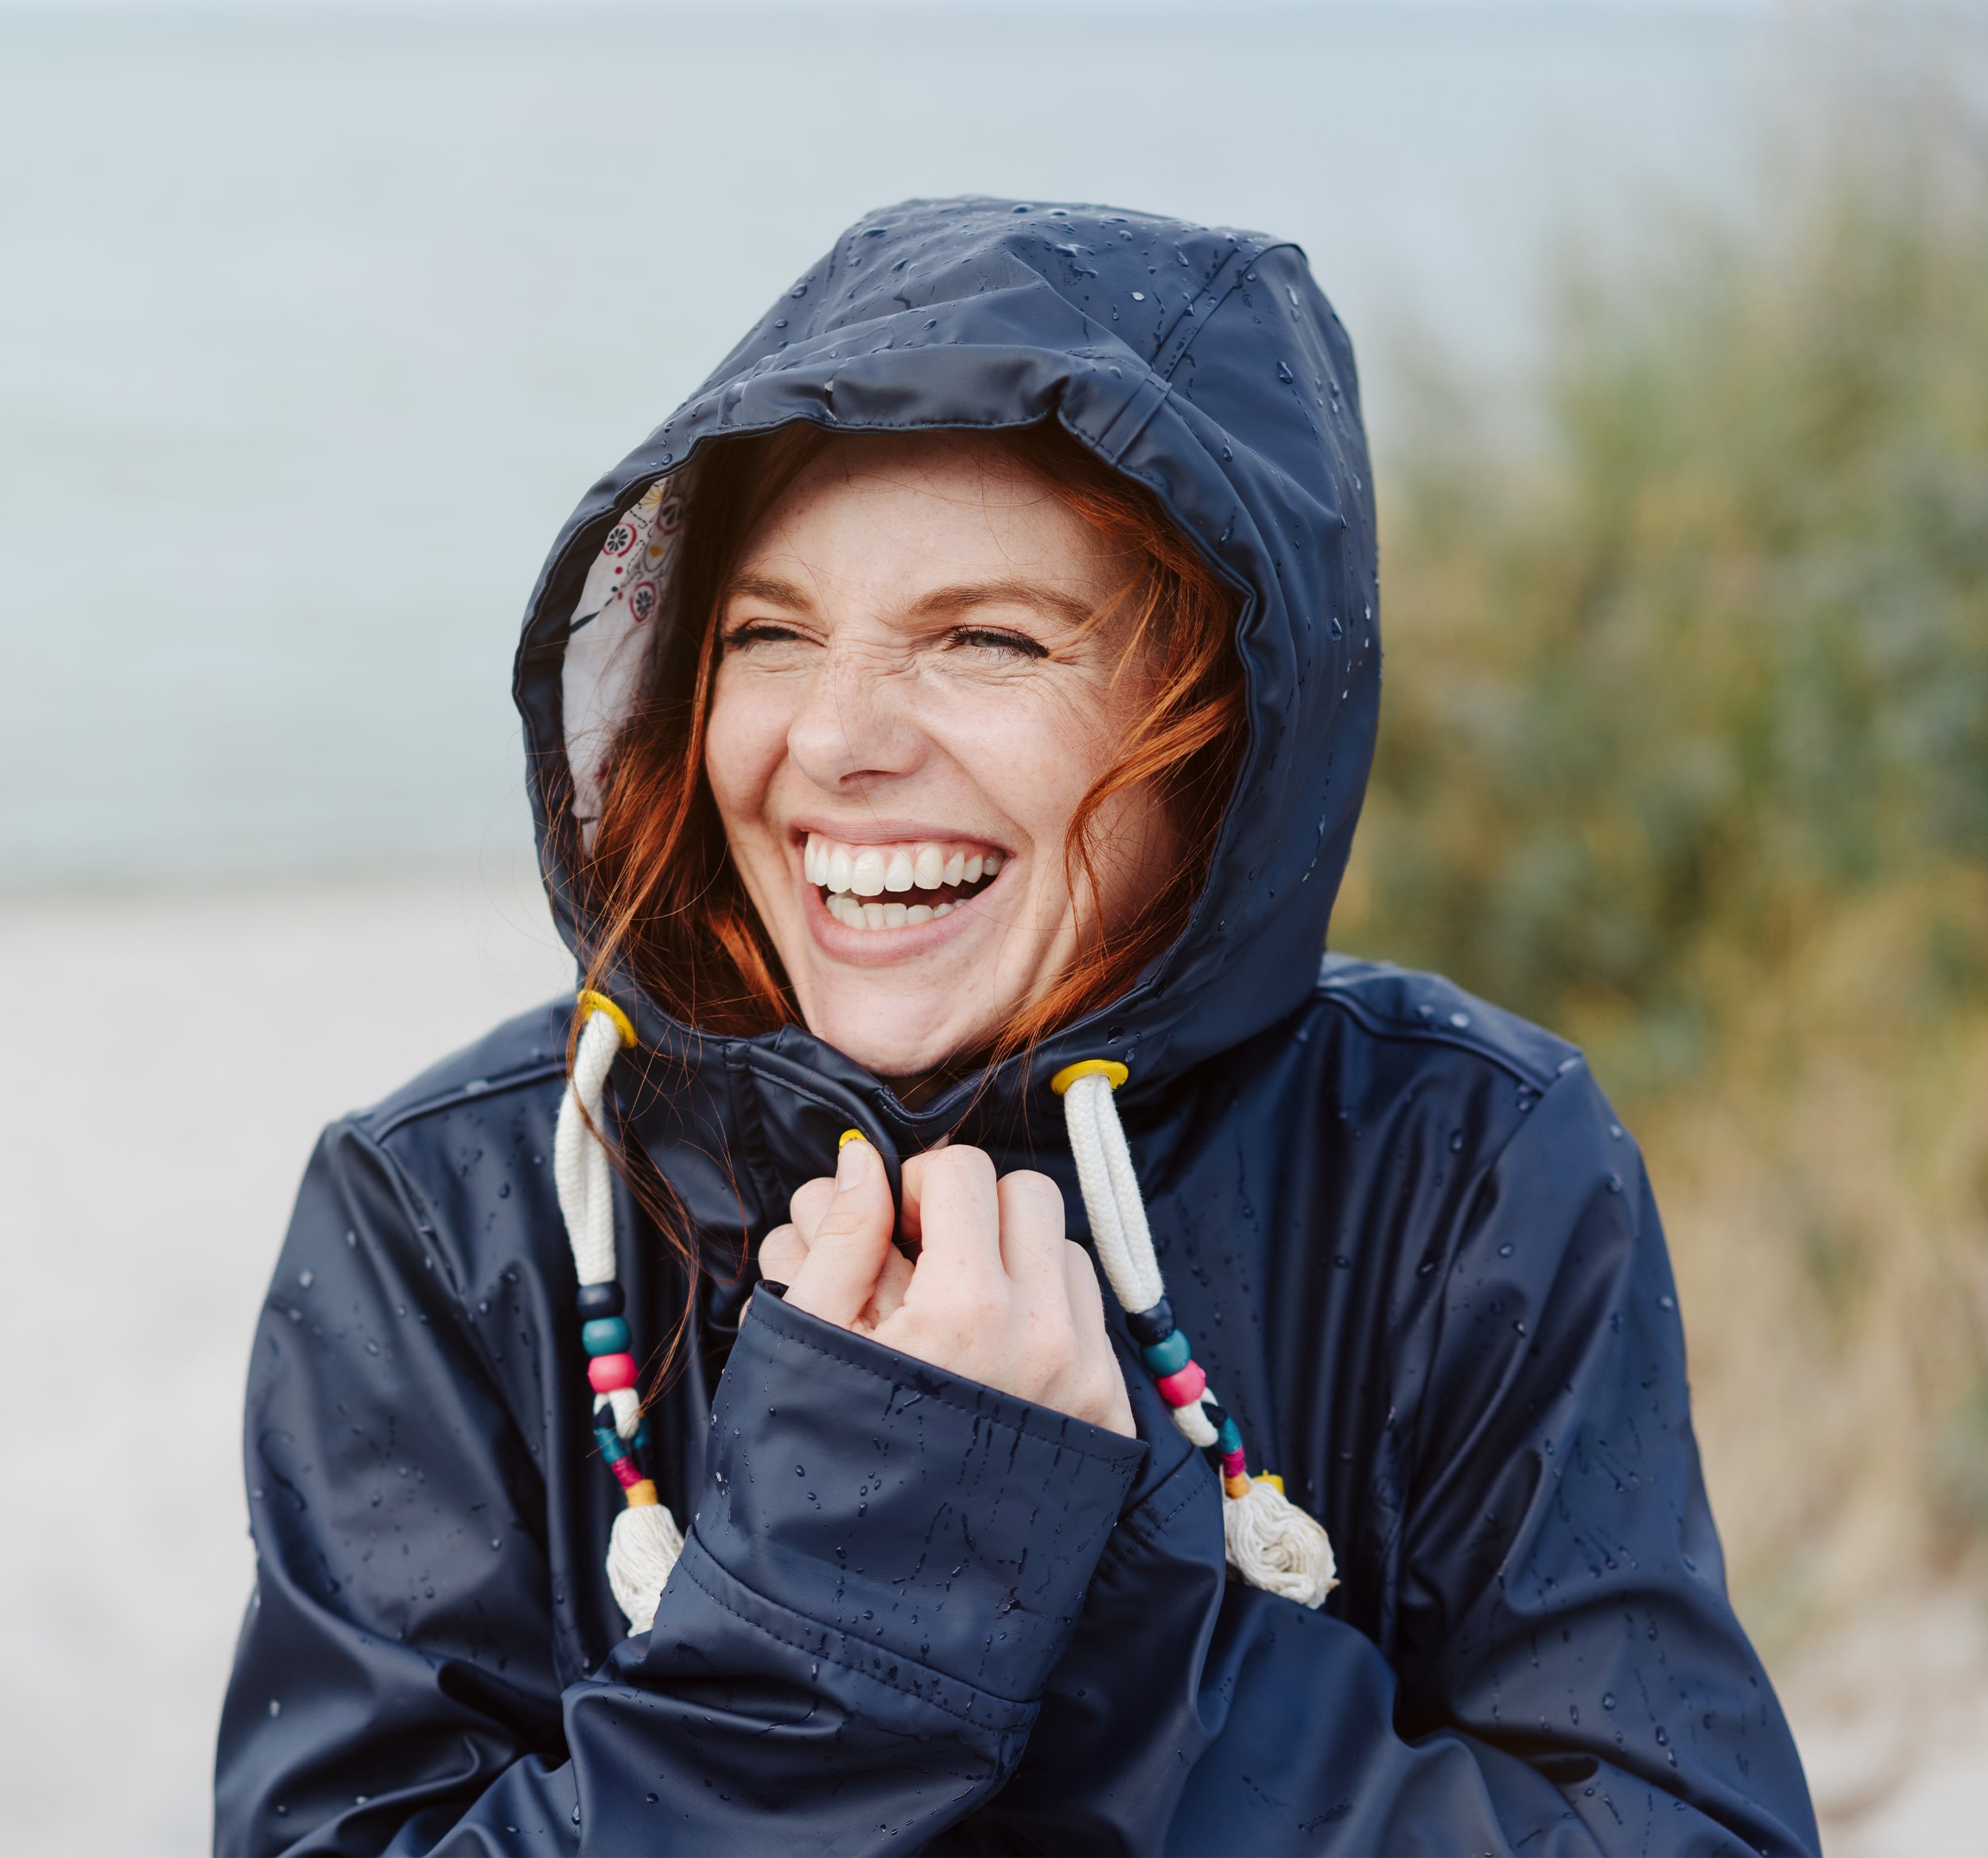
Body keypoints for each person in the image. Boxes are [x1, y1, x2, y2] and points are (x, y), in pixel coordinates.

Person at [214, 197, 1819, 1856]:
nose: (832, 738)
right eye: (768, 634)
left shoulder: (1459, 1164)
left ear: (1231, 716)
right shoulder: (453, 1210)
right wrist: (827, 1619)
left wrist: (1114, 1617)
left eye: (985, 638)